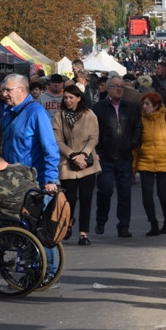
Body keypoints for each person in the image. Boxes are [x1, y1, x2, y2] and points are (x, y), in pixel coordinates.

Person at [92, 76, 143, 237]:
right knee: (105, 191)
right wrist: (98, 150)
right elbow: (94, 130)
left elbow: (138, 126)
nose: (119, 89)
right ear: (107, 88)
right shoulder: (99, 108)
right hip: (105, 157)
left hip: (124, 156)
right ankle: (101, 220)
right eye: (115, 86)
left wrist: (133, 142)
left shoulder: (131, 107)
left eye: (121, 86)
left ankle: (124, 226)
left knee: (124, 193)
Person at [0, 73, 60, 194]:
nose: (4, 94)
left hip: (32, 182)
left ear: (21, 89)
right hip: (11, 180)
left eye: (7, 90)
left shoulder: (37, 113)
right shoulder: (9, 113)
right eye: (3, 90)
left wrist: (50, 180)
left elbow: (50, 147)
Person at [53, 85, 100, 245]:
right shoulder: (59, 116)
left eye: (71, 97)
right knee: (70, 198)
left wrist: (83, 155)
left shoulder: (89, 115)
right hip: (68, 161)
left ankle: (83, 233)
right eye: (65, 98)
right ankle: (69, 221)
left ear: (79, 98)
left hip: (87, 163)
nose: (68, 101)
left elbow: (94, 137)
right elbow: (57, 140)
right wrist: (73, 155)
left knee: (86, 199)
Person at [136, 92, 166, 236]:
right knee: (147, 195)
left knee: (163, 194)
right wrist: (134, 167)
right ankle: (153, 224)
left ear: (156, 105)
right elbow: (137, 145)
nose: (144, 107)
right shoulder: (141, 120)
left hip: (164, 161)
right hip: (146, 162)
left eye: (147, 104)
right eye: (143, 104)